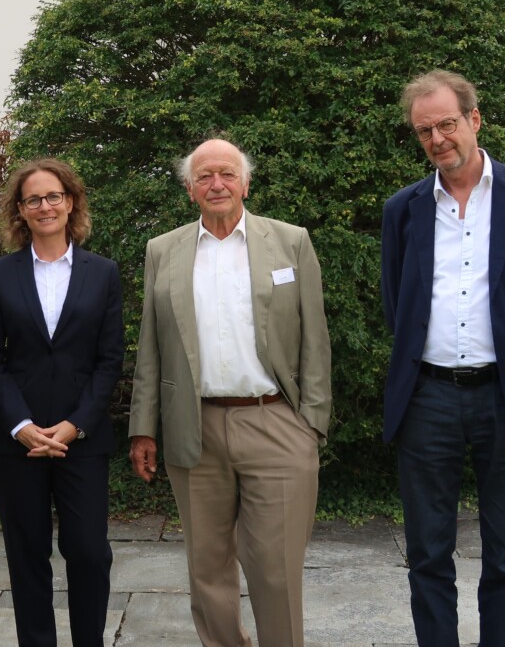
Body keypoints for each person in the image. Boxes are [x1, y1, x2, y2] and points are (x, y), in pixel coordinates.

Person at [381, 70, 505, 647]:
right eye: (424, 131)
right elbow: (399, 303)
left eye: (446, 124)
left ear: (474, 120)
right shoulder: (404, 208)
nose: (438, 139)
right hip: (427, 398)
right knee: (427, 554)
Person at [128, 138, 332, 647]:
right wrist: (143, 429)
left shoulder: (290, 242)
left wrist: (311, 423)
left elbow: (315, 339)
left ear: (245, 182)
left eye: (226, 174)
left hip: (276, 421)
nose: (215, 184)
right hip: (193, 426)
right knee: (207, 569)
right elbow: (150, 346)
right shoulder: (163, 250)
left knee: (276, 569)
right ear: (189, 188)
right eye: (203, 176)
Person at [0, 158, 123, 646]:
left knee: (87, 551)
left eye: (54, 196)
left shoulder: (102, 273)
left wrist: (74, 425)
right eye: (33, 199)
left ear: (71, 202)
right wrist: (20, 424)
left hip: (79, 441)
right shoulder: (2, 274)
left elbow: (109, 361)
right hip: (17, 442)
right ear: (20, 211)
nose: (45, 206)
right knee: (27, 554)